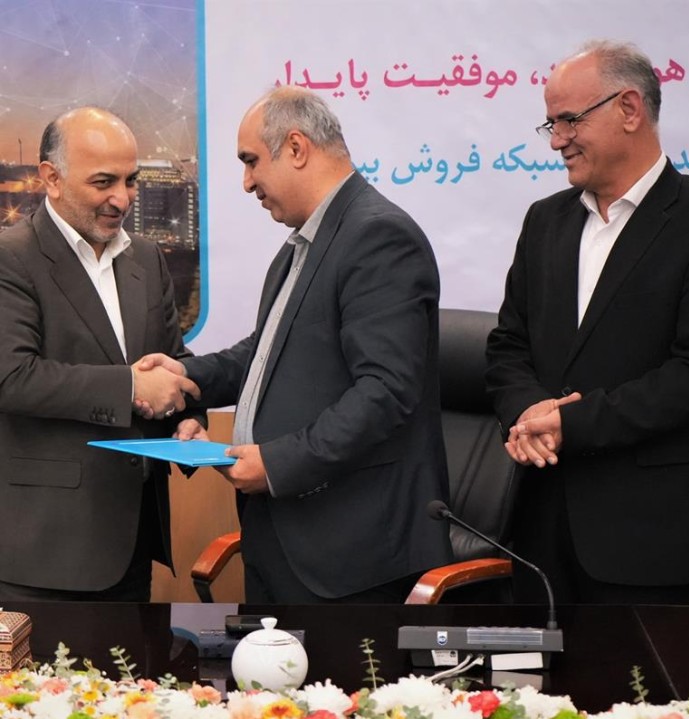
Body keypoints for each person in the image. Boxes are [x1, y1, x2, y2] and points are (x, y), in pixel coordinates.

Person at [139, 86, 453, 603]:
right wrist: (188, 376)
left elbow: (386, 391)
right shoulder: (303, 245)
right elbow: (265, 354)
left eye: (251, 162)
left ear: (296, 147)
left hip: (350, 556)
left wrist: (278, 463)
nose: (246, 183)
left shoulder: (379, 237)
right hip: (281, 535)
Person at [485, 40, 689, 605]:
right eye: (552, 124)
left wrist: (571, 423)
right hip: (541, 537)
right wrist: (529, 414)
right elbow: (507, 346)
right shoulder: (545, 221)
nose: (557, 139)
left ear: (629, 109)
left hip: (656, 541)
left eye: (570, 120)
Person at [0, 106, 202, 602]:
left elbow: (171, 358)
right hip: (45, 554)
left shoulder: (146, 257)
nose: (122, 198)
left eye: (131, 181)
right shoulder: (12, 257)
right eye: (104, 182)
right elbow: (13, 376)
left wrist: (189, 416)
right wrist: (131, 387)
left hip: (132, 543)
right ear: (51, 178)